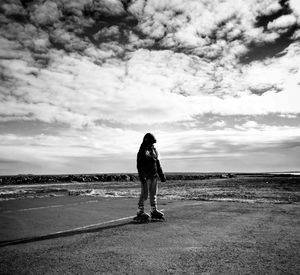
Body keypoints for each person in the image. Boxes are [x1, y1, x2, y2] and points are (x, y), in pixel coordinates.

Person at [134, 133, 166, 222]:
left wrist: (161, 175)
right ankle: (140, 211)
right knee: (144, 195)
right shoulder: (141, 152)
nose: (152, 144)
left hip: (154, 176)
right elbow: (139, 166)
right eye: (151, 143)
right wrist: (142, 177)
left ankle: (153, 210)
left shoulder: (154, 151)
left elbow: (158, 164)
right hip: (146, 177)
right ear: (147, 141)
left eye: (153, 143)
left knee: (153, 194)